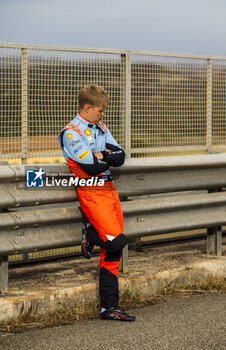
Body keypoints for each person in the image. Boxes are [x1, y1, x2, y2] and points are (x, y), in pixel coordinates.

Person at [58, 85, 135, 322]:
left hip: (110, 190)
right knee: (117, 241)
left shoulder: (100, 127)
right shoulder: (71, 133)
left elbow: (120, 156)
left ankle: (109, 308)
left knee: (113, 249)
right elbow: (91, 166)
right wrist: (103, 157)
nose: (103, 114)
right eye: (100, 110)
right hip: (92, 192)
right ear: (88, 107)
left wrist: (102, 157)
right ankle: (91, 233)